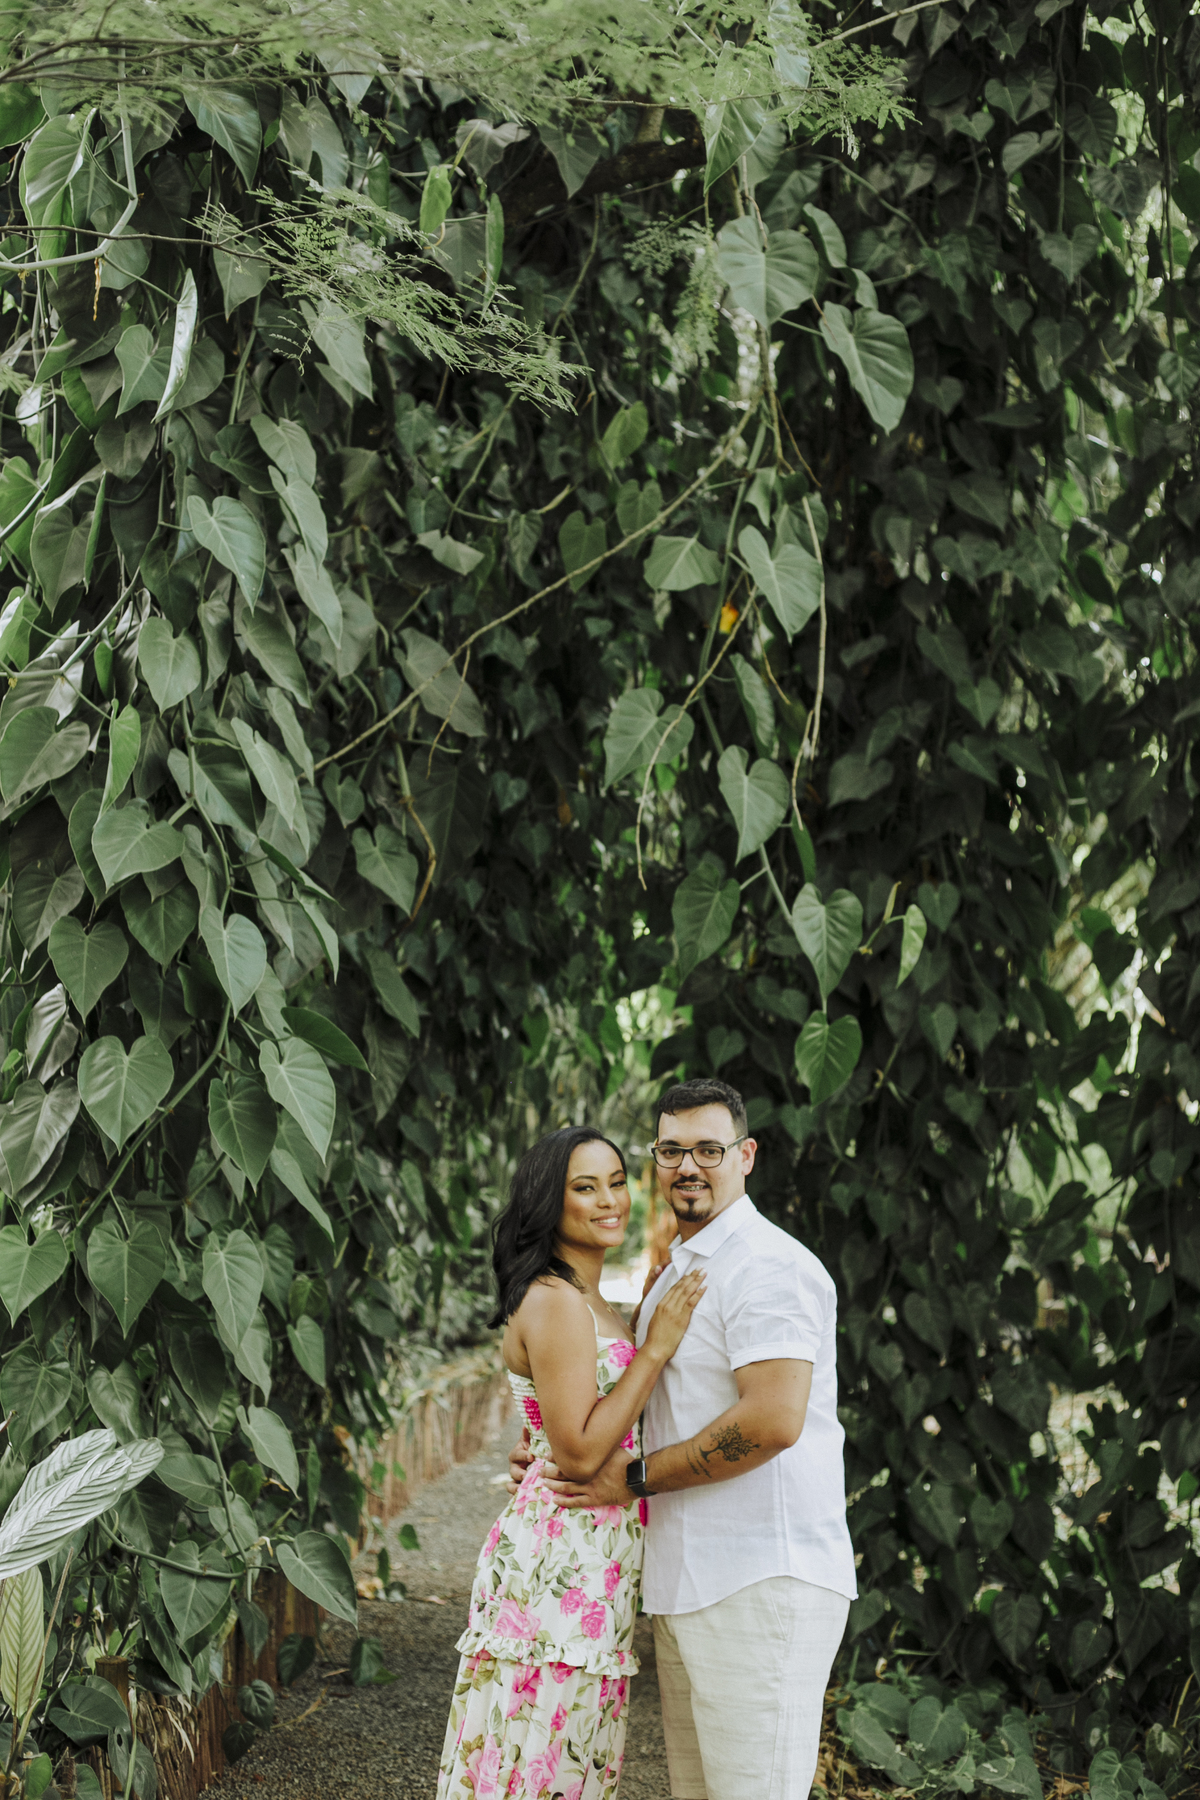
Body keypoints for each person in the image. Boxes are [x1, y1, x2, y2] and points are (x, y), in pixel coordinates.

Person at [509, 1078, 857, 1800]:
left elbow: (772, 1420)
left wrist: (632, 1479)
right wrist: (549, 1447)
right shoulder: (680, 1270)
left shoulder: (769, 1265)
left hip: (760, 1579)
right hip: (688, 1580)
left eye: (709, 1149)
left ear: (746, 1156)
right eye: (672, 1150)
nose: (688, 1166)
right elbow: (653, 1403)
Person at [437, 1124, 706, 1800]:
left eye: (616, 1182)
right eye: (586, 1187)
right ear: (548, 1203)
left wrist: (640, 1324)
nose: (610, 1200)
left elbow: (574, 1414)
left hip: (591, 1558)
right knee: (543, 1759)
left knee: (565, 1757)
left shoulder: (587, 1299)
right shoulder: (556, 1299)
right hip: (561, 1560)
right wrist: (655, 1347)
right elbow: (582, 1453)